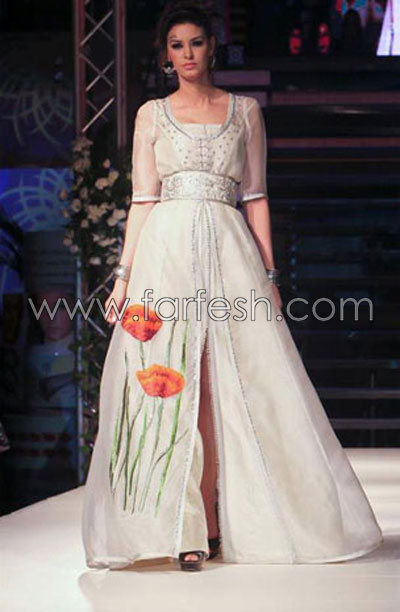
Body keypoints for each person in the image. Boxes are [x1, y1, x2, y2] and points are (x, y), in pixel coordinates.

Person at [81, 0, 383, 572]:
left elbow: (256, 196)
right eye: (176, 46)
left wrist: (269, 276)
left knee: (233, 382)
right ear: (166, 55)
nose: (187, 54)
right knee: (170, 383)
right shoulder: (151, 115)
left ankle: (221, 521)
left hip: (230, 254)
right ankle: (181, 525)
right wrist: (123, 277)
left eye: (196, 42)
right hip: (166, 256)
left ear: (212, 47)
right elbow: (142, 200)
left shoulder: (244, 111)